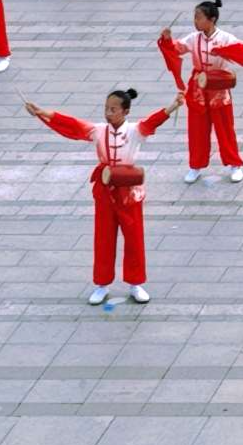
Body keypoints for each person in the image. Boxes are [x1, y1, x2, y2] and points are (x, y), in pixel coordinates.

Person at [28, 86, 173, 306]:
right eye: (106, 108)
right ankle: (102, 284)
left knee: (134, 238)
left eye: (113, 109)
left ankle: (135, 283)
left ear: (125, 112)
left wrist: (173, 106)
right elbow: (72, 125)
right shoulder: (98, 131)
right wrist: (43, 113)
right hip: (105, 189)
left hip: (129, 191)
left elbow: (154, 121)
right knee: (103, 237)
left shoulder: (136, 131)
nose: (108, 113)